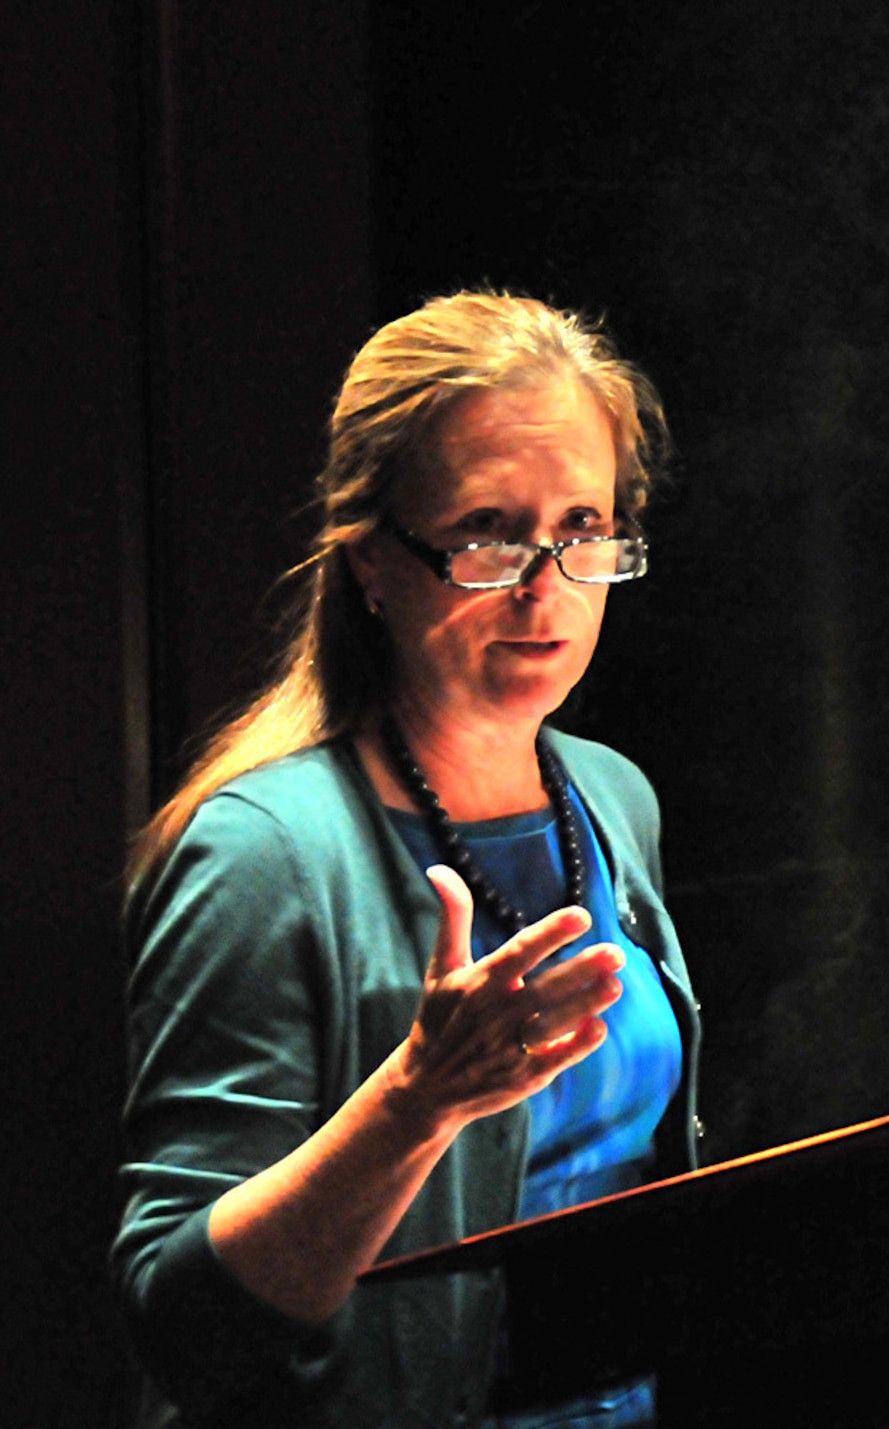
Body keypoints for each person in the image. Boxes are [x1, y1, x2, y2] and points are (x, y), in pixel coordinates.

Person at [112, 292, 700, 1428]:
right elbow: (177, 1323)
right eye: (488, 535)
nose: (546, 588)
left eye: (581, 529)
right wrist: (416, 1101)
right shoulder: (262, 854)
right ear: (375, 560)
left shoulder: (612, 799)